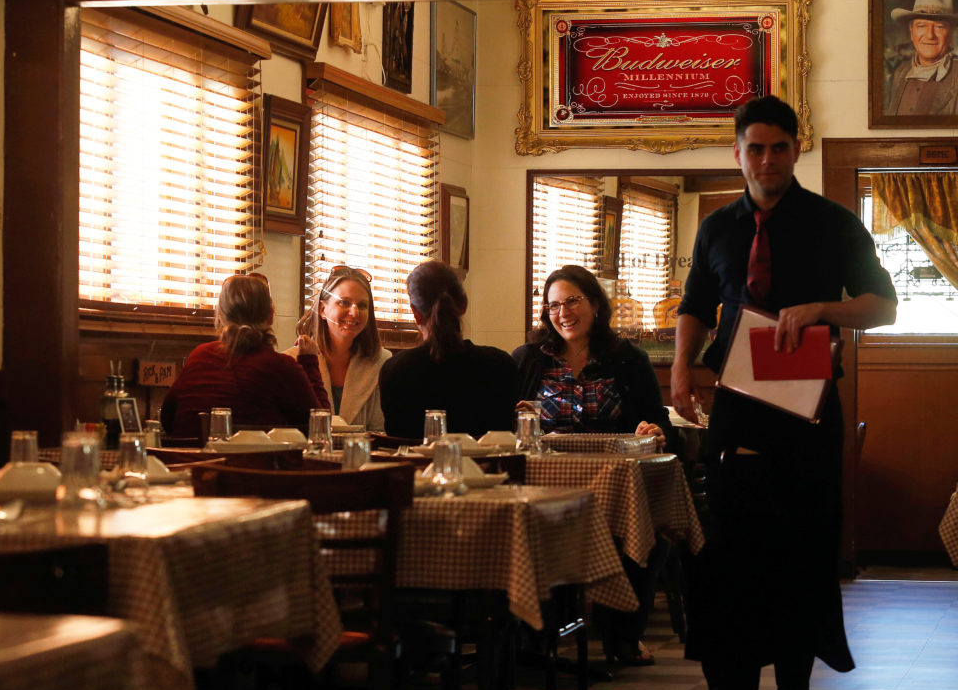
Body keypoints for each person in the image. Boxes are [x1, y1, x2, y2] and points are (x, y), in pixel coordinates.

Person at [671, 95, 897, 690]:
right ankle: (730, 689)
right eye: (755, 148)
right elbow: (694, 303)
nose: (766, 160)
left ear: (797, 149)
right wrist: (682, 365)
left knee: (804, 543)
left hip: (808, 404)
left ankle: (793, 687)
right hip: (738, 401)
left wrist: (823, 310)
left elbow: (885, 306)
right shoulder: (718, 226)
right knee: (729, 544)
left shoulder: (832, 223)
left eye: (778, 148)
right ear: (738, 152)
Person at [513, 264, 675, 666]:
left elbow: (659, 421)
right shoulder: (529, 358)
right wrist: (517, 417)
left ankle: (623, 635)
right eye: (552, 305)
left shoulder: (628, 359)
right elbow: (502, 426)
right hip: (543, 490)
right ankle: (535, 637)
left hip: (610, 488)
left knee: (650, 528)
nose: (562, 312)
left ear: (596, 307)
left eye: (572, 301)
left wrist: (653, 428)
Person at [162, 274, 328, 437]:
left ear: (220, 315)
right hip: (254, 464)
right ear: (270, 316)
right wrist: (310, 362)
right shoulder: (280, 367)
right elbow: (321, 428)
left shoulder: (199, 356)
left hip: (189, 463)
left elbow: (167, 420)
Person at [379, 259, 516, 439]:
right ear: (464, 304)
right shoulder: (502, 365)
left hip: (419, 468)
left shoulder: (395, 371)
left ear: (415, 313)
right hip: (487, 468)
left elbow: (397, 444)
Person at [285, 266, 391, 431]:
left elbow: (382, 432)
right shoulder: (291, 362)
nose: (354, 313)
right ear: (322, 310)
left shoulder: (383, 362)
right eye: (344, 302)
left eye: (362, 305)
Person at [886, 0, 958, 116]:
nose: (930, 35)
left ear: (951, 33)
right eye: (921, 26)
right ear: (912, 32)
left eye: (939, 26)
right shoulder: (900, 73)